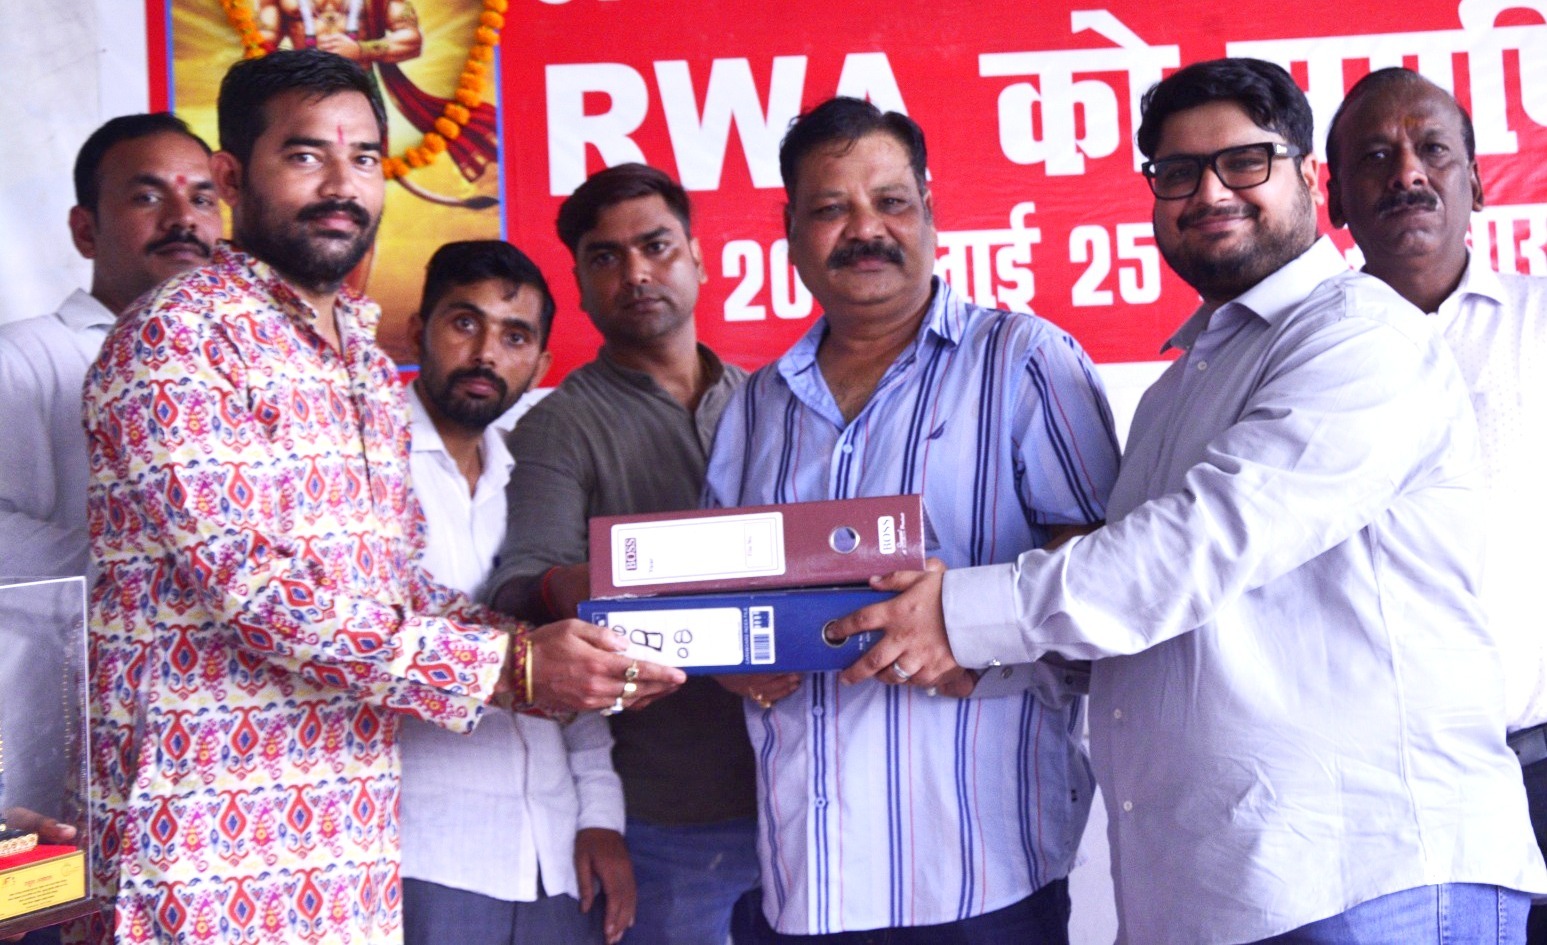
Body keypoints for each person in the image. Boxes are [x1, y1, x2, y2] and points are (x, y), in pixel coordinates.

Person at [827, 58, 1547, 943]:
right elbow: (1163, 614)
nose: (1209, 192)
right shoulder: (1178, 390)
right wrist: (985, 655)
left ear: (1307, 178)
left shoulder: (1361, 334)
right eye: (1177, 172)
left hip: (1369, 880)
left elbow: (1201, 545)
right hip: (1220, 888)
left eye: (1243, 161)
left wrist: (961, 615)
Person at [80, 49, 681, 945]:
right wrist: (512, 669)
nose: (341, 185)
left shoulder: (359, 362)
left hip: (348, 846)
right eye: (305, 155)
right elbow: (262, 594)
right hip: (204, 847)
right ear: (233, 178)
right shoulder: (178, 339)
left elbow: (386, 585)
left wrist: (565, 649)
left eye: (363, 158)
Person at [703, 96, 1120, 942]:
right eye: (831, 208)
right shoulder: (754, 404)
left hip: (978, 870)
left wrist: (971, 635)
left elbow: (1107, 577)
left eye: (890, 201)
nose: (865, 229)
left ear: (929, 209)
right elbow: (716, 586)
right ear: (790, 232)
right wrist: (727, 658)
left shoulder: (1024, 361)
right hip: (805, 871)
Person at [486, 163, 764, 945]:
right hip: (667, 817)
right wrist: (646, 584)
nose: (636, 272)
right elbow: (520, 590)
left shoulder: (768, 402)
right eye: (605, 257)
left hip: (800, 793)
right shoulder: (558, 426)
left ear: (697, 258)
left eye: (656, 245)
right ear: (579, 285)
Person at [1325, 66, 1547, 943]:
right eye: (1375, 157)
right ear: (1333, 197)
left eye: (1432, 151)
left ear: (1478, 183)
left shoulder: (1539, 323)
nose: (1407, 173)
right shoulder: (1300, 355)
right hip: (1388, 795)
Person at [398, 239, 634, 945]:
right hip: (421, 849)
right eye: (463, 323)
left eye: (514, 336)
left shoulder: (531, 480)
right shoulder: (365, 467)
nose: (485, 354)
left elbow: (572, 654)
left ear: (540, 365)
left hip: (554, 855)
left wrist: (601, 815)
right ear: (418, 332)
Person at [0, 113, 219, 580]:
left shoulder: (247, 367)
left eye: (203, 200)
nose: (184, 218)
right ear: (86, 231)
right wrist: (154, 582)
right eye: (148, 197)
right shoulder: (22, 358)